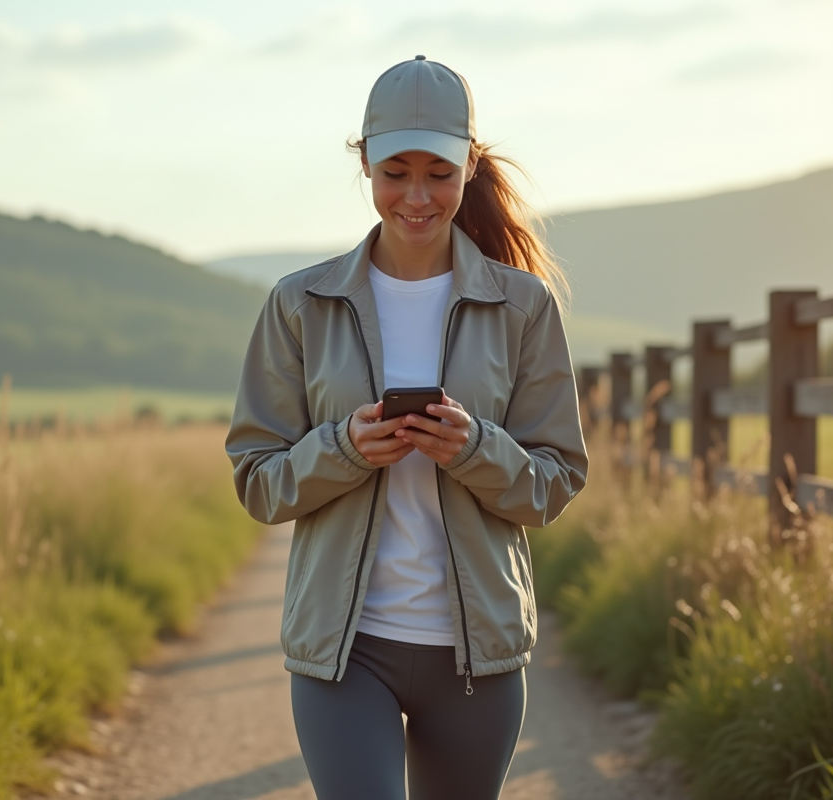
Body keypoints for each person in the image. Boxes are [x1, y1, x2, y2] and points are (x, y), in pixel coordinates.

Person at [225, 55, 589, 800]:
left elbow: (554, 484)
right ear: (364, 164)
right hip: (343, 652)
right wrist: (343, 450)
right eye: (395, 171)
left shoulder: (524, 307)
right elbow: (257, 481)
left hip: (477, 658)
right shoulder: (301, 303)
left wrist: (475, 449)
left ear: (469, 168)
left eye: (439, 173)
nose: (417, 197)